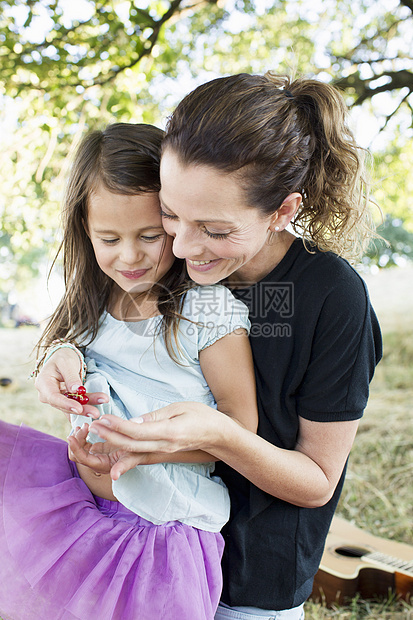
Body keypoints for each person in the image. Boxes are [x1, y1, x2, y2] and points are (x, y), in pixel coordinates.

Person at [35, 73, 383, 620]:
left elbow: (316, 481)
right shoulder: (159, 263)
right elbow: (97, 328)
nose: (182, 246)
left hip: (250, 577)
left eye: (214, 230)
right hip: (136, 543)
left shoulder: (329, 298)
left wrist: (220, 433)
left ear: (282, 212)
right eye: (169, 215)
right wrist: (57, 356)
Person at [0, 122, 259, 620]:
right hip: (81, 509)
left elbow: (240, 429)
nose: (130, 255)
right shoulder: (90, 303)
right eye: (109, 238)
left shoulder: (209, 313)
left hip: (160, 534)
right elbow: (71, 357)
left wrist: (147, 446)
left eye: (149, 235)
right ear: (85, 232)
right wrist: (61, 357)